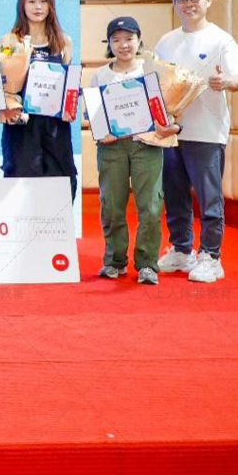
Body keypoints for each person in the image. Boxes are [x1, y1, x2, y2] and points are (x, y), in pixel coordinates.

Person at [155, 0, 238, 283]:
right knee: (174, 196)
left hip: (207, 132)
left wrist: (225, 82)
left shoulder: (222, 40)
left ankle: (211, 256)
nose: (189, 4)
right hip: (171, 133)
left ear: (209, 0)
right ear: (175, 4)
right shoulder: (166, 42)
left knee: (209, 199)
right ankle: (182, 250)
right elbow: (156, 82)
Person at [90, 17, 178, 284]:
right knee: (112, 205)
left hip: (146, 145)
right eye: (116, 40)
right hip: (112, 148)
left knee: (150, 205)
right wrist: (101, 131)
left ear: (139, 40)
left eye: (129, 38)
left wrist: (167, 124)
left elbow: (165, 109)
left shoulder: (151, 71)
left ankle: (147, 263)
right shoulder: (100, 75)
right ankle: (114, 261)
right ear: (109, 44)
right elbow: (93, 115)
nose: (123, 45)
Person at [0, 0, 79, 200]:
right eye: (31, 1)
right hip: (22, 127)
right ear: (22, 5)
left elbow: (68, 84)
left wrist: (69, 105)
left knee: (62, 186)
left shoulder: (64, 41)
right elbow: (0, 85)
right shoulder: (9, 40)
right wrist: (7, 106)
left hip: (55, 127)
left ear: (51, 5)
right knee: (21, 190)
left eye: (43, 1)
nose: (38, 7)